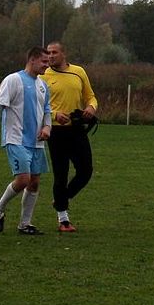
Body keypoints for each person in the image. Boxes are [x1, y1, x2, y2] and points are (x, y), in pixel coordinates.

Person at [0, 46, 52, 235]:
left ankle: (25, 224)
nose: (47, 65)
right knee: (23, 179)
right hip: (16, 139)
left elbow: (47, 110)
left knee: (34, 182)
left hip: (37, 142)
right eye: (44, 61)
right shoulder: (13, 80)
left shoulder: (43, 85)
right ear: (32, 60)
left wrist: (47, 127)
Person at [40, 41, 98, 232]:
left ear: (64, 54)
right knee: (61, 174)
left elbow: (90, 96)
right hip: (56, 131)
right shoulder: (43, 76)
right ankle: (63, 219)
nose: (50, 56)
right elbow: (37, 105)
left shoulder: (78, 72)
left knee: (86, 170)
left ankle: (61, 199)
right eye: (48, 53)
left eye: (54, 52)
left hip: (76, 128)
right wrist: (54, 115)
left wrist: (91, 107)